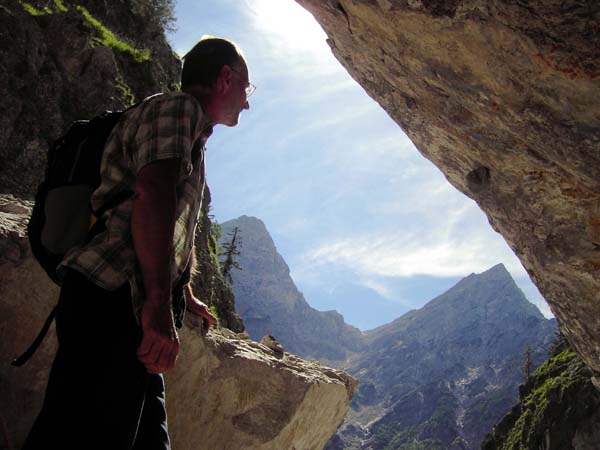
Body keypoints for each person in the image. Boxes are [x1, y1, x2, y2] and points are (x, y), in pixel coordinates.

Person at [22, 36, 254, 450]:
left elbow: (155, 213)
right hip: (112, 295)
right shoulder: (179, 108)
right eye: (246, 88)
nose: (247, 102)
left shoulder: (190, 132)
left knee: (138, 437)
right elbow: (153, 195)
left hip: (115, 299)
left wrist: (185, 292)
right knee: (84, 434)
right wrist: (159, 307)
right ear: (225, 77)